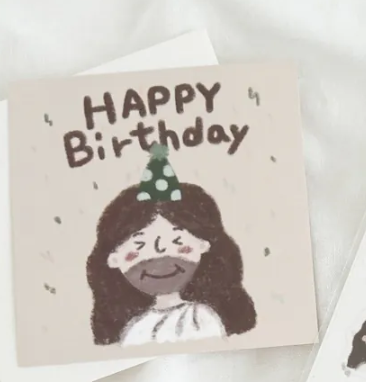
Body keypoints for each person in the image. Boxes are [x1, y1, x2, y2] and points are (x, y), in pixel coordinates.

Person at [86, 144, 257, 346]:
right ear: (113, 259)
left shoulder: (200, 319)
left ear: (203, 246)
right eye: (140, 245)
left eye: (177, 241)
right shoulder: (136, 327)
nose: (159, 252)